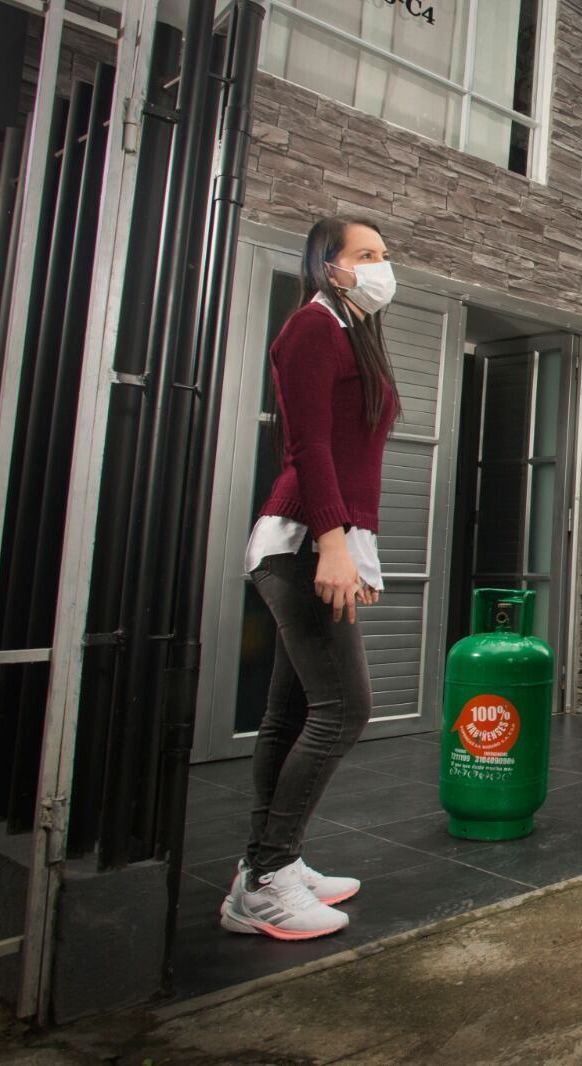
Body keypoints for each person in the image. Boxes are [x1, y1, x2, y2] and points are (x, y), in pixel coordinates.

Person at [219, 216, 399, 940]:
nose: (382, 268)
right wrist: (332, 544)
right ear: (330, 265)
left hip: (322, 540)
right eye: (367, 255)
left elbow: (358, 462)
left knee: (291, 715)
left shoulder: (350, 334)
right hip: (299, 541)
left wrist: (363, 553)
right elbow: (308, 446)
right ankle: (268, 874)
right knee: (344, 710)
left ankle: (267, 869)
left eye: (385, 256)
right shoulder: (309, 329)